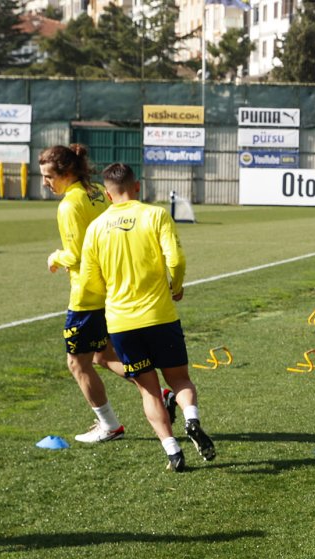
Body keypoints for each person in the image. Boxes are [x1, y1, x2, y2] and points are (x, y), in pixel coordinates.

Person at [79, 163, 214, 472]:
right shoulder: (155, 215)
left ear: (108, 194)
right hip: (160, 315)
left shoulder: (97, 228)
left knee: (149, 390)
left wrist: (111, 295)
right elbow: (176, 259)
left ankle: (172, 452)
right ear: (137, 186)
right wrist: (176, 286)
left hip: (121, 322)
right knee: (179, 379)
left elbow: (90, 281)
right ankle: (191, 420)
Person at [40, 144, 128, 444]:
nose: (45, 182)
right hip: (112, 288)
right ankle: (162, 393)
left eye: (49, 176)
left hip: (87, 295)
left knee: (78, 363)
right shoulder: (99, 192)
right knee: (105, 356)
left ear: (66, 173)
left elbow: (76, 256)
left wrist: (55, 258)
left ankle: (109, 425)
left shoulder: (69, 204)